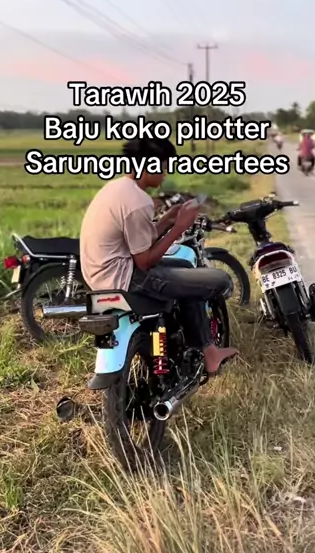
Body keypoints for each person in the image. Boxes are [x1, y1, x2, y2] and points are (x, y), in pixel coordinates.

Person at [80, 136, 238, 375]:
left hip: (102, 274)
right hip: (127, 278)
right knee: (220, 280)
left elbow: (140, 242)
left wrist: (167, 219)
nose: (165, 174)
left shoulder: (117, 188)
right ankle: (206, 350)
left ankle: (208, 351)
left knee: (186, 267)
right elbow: (145, 261)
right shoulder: (138, 201)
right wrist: (179, 227)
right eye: (163, 167)